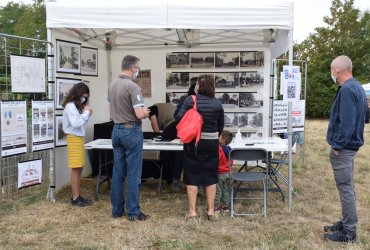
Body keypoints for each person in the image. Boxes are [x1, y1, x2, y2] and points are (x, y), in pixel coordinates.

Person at [324, 55, 367, 243]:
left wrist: (337, 145)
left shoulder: (348, 90)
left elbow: (347, 123)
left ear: (337, 70)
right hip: (351, 146)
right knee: (347, 186)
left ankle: (349, 231)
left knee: (345, 188)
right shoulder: (356, 87)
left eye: (332, 70)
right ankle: (346, 222)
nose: (332, 73)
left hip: (345, 148)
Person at [175, 74, 224, 220]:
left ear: (199, 86)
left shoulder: (191, 100)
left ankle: (192, 212)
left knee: (192, 176)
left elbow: (178, 117)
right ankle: (210, 211)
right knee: (211, 176)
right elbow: (220, 126)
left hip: (193, 144)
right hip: (211, 144)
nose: (195, 86)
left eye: (197, 84)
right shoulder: (217, 104)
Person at [108, 55, 150, 221]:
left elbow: (110, 112)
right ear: (133, 68)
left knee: (118, 173)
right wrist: (145, 113)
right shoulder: (133, 87)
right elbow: (139, 114)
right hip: (131, 130)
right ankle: (133, 212)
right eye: (137, 68)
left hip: (116, 129)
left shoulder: (112, 85)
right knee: (133, 174)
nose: (138, 70)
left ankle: (117, 210)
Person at [62, 82, 93, 207]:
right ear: (78, 94)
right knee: (76, 169)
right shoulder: (70, 106)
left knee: (79, 168)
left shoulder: (75, 106)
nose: (84, 98)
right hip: (74, 138)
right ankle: (75, 198)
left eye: (86, 96)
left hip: (78, 138)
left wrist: (87, 114)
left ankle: (78, 195)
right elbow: (75, 123)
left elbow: (80, 123)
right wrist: (85, 113)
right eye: (83, 96)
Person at [214, 130, 233, 213]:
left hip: (220, 173)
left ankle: (216, 207)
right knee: (226, 190)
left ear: (223, 139)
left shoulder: (219, 149)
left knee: (218, 190)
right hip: (228, 173)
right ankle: (226, 206)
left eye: (219, 136)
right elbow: (231, 162)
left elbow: (217, 160)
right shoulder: (229, 149)